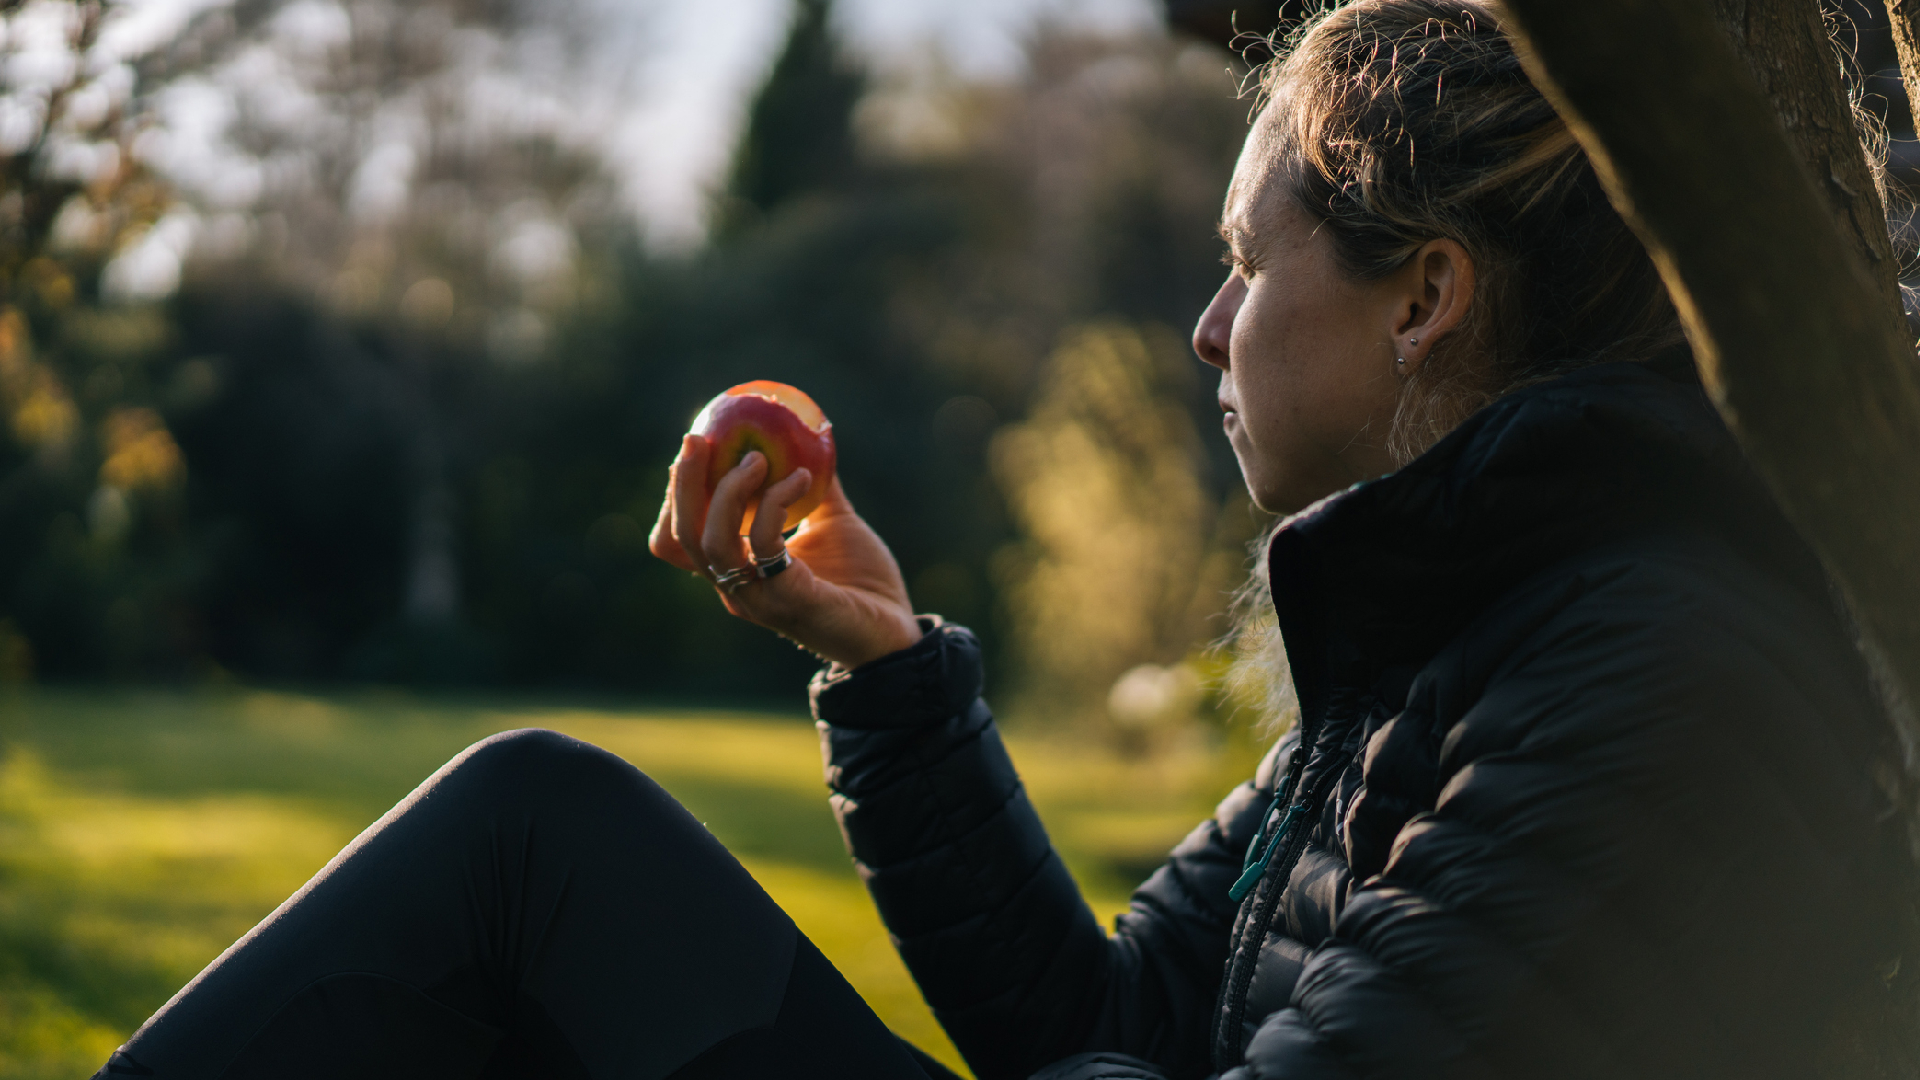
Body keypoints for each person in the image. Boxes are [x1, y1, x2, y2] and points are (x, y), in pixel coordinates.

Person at [94, 1, 1918, 1078]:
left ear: (1426, 294)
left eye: (1249, 263)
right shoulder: (1468, 619)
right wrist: (889, 676)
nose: (1208, 328)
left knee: (527, 844)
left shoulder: (1651, 663)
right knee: (537, 831)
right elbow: (1104, 1013)